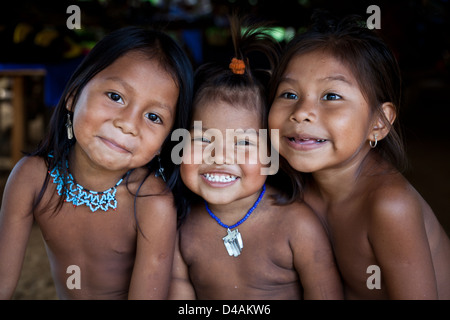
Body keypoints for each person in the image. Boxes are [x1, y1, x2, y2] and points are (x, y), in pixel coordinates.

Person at [0, 26, 193, 299]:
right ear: (73, 95)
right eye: (115, 97)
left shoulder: (152, 203)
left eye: (153, 117)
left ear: (167, 140)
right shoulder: (31, 178)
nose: (127, 124)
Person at [268, 13, 450, 299]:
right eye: (289, 94)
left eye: (331, 96)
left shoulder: (389, 206)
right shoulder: (296, 187)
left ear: (379, 122)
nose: (301, 111)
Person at [168, 16, 343, 300]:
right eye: (202, 139)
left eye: (244, 143)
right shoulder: (180, 226)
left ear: (271, 154)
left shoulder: (297, 225)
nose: (220, 155)